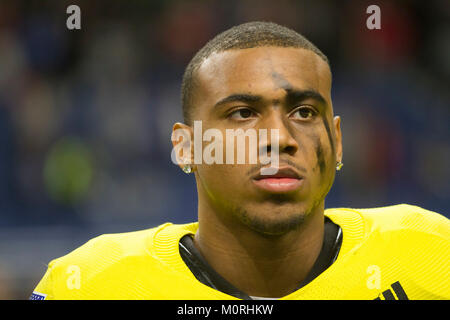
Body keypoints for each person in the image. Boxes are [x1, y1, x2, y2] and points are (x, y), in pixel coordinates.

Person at [31, 21, 449, 300]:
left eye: (304, 112)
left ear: (337, 141)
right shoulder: (89, 285)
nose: (279, 139)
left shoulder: (433, 255)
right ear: (186, 146)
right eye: (242, 114)